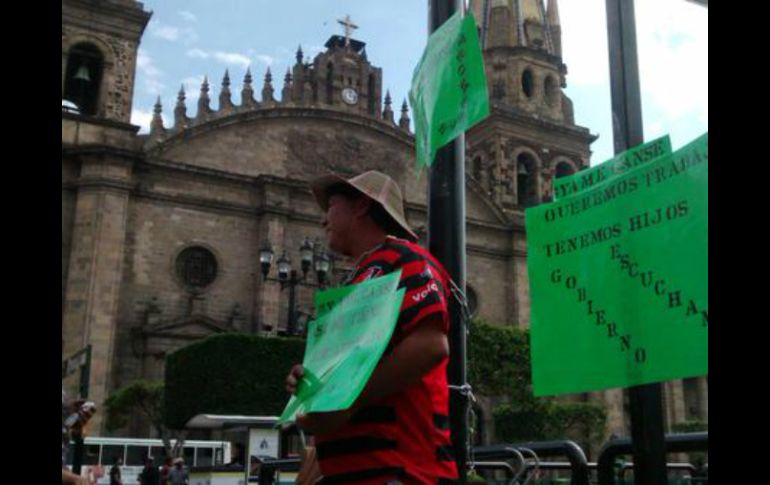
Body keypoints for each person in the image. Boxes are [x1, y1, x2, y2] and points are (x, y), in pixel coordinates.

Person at [285, 170, 458, 484]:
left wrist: (345, 402)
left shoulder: (405, 257)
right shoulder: (360, 277)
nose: (324, 219)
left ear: (361, 206)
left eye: (332, 206)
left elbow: (431, 345)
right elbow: (353, 369)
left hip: (401, 470)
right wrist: (312, 383)